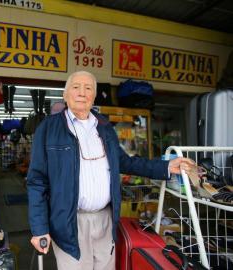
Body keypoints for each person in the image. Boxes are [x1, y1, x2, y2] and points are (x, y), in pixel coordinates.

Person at [26, 70, 194, 270]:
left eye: (88, 88)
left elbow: (125, 162)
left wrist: (165, 166)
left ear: (94, 96)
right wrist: (39, 229)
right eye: (76, 87)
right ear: (65, 94)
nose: (82, 93)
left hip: (105, 220)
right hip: (68, 222)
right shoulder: (48, 129)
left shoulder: (104, 128)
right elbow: (37, 182)